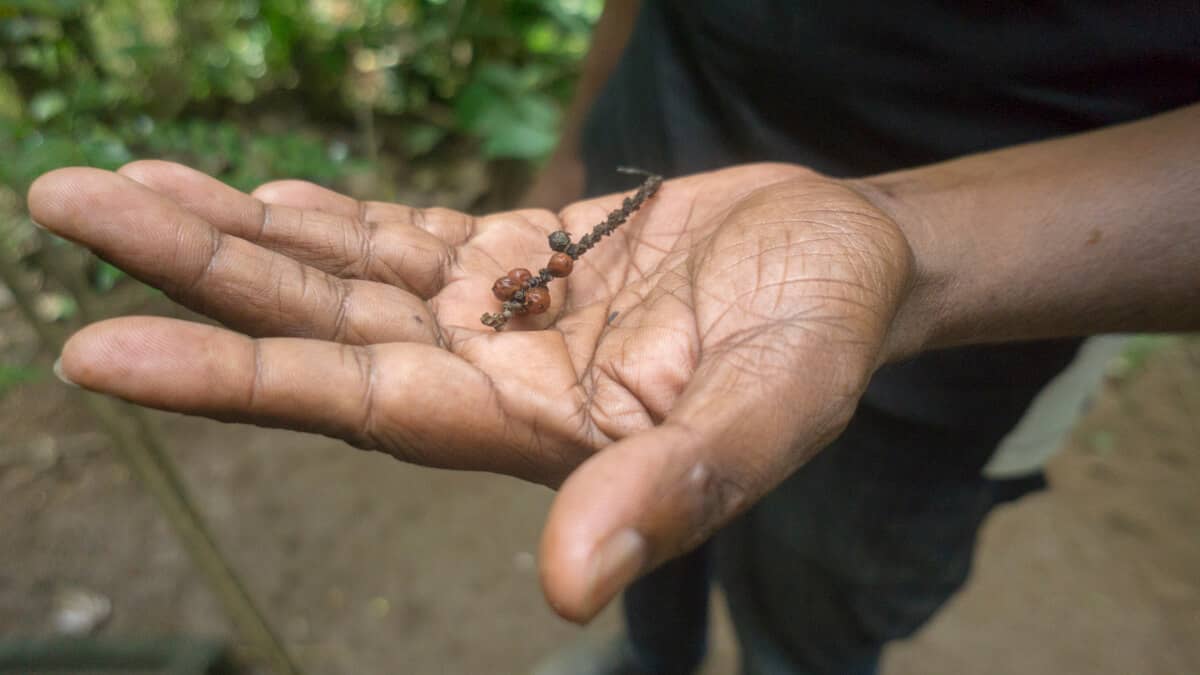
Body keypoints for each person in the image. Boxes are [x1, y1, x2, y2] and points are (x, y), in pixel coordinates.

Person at [28, 2, 1199, 674]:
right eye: (503, 311)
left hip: (1027, 272)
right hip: (672, 113)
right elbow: (543, 283)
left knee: (837, 578)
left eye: (505, 308)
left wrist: (903, 235)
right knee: (648, 510)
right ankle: (650, 655)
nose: (504, 310)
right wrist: (575, 153)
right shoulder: (550, 264)